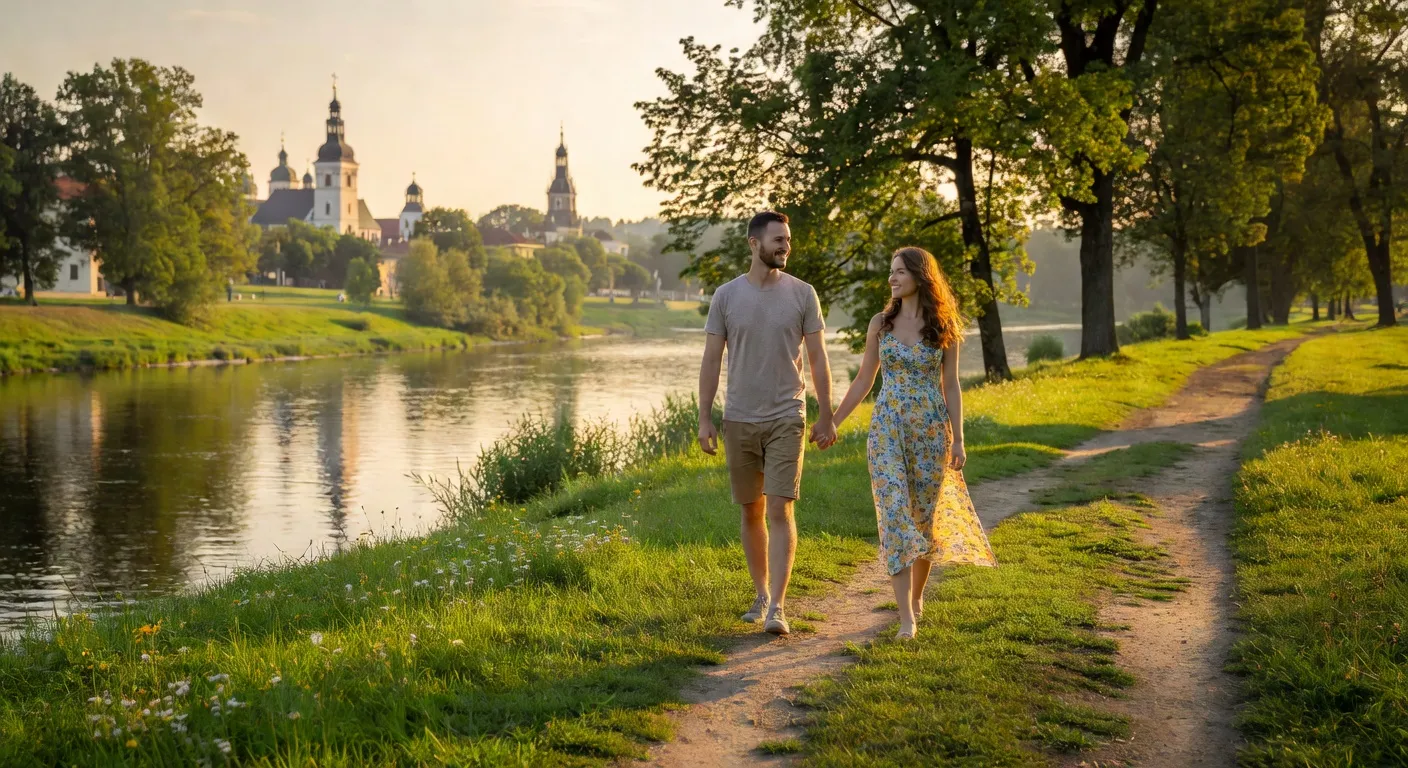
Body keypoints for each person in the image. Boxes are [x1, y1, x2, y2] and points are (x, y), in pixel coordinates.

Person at [832, 247, 997, 640]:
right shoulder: (881, 323)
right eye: (891, 272)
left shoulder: (943, 326)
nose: (892, 278)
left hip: (930, 433)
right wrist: (833, 420)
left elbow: (951, 385)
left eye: (900, 272)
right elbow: (863, 379)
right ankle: (906, 616)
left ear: (921, 276)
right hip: (887, 430)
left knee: (923, 521)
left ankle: (917, 598)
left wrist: (958, 438)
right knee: (894, 514)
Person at [699, 210, 837, 636]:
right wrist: (705, 417)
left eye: (788, 239)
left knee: (779, 506)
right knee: (751, 510)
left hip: (786, 415)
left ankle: (778, 605)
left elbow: (818, 359)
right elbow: (711, 360)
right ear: (753, 244)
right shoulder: (725, 296)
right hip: (738, 415)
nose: (786, 246)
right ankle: (761, 594)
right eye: (778, 239)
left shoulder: (803, 294)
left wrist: (827, 413)